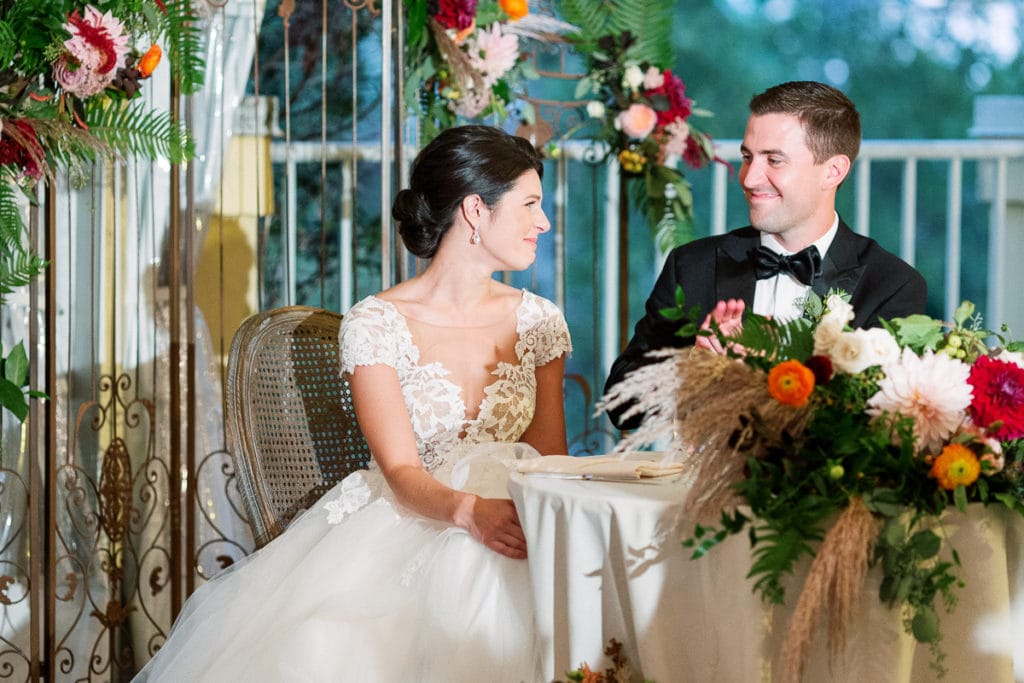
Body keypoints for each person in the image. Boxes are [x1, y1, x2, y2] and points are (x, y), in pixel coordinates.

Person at [134, 125, 572, 682]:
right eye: (531, 204)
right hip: (415, 516)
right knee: (334, 638)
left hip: (520, 516)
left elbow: (550, 456)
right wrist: (469, 514)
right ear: (475, 211)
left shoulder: (540, 320)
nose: (544, 222)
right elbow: (401, 469)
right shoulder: (377, 323)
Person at [604, 80, 927, 430]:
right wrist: (695, 366)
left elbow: (880, 432)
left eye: (774, 160)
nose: (749, 178)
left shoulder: (891, 286)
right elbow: (621, 406)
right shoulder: (694, 266)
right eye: (747, 157)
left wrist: (760, 377)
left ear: (833, 171)